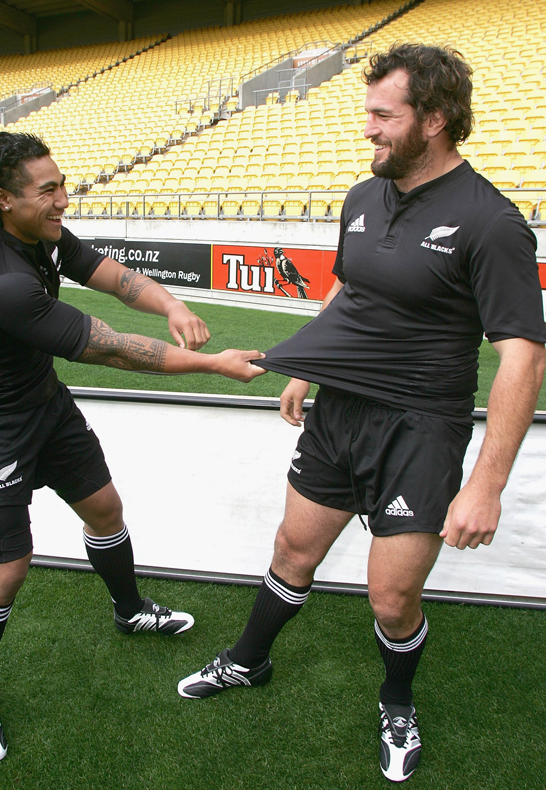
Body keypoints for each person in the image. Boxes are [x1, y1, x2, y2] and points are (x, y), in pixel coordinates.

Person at [177, 44, 546, 783]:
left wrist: (485, 485)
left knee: (389, 597)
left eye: (383, 115)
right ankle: (248, 661)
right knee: (291, 550)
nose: (368, 129)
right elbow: (349, 292)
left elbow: (522, 356)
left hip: (418, 430)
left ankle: (397, 699)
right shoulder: (361, 196)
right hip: (340, 410)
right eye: (367, 114)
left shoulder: (491, 222)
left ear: (434, 120)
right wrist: (310, 363)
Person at [0, 131, 266, 763]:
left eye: (63, 183)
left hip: (44, 403)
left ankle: (129, 610)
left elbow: (111, 277)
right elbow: (112, 347)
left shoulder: (43, 236)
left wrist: (171, 302)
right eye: (49, 190)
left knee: (105, 510)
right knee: (6, 568)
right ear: (4, 199)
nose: (64, 199)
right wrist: (214, 365)